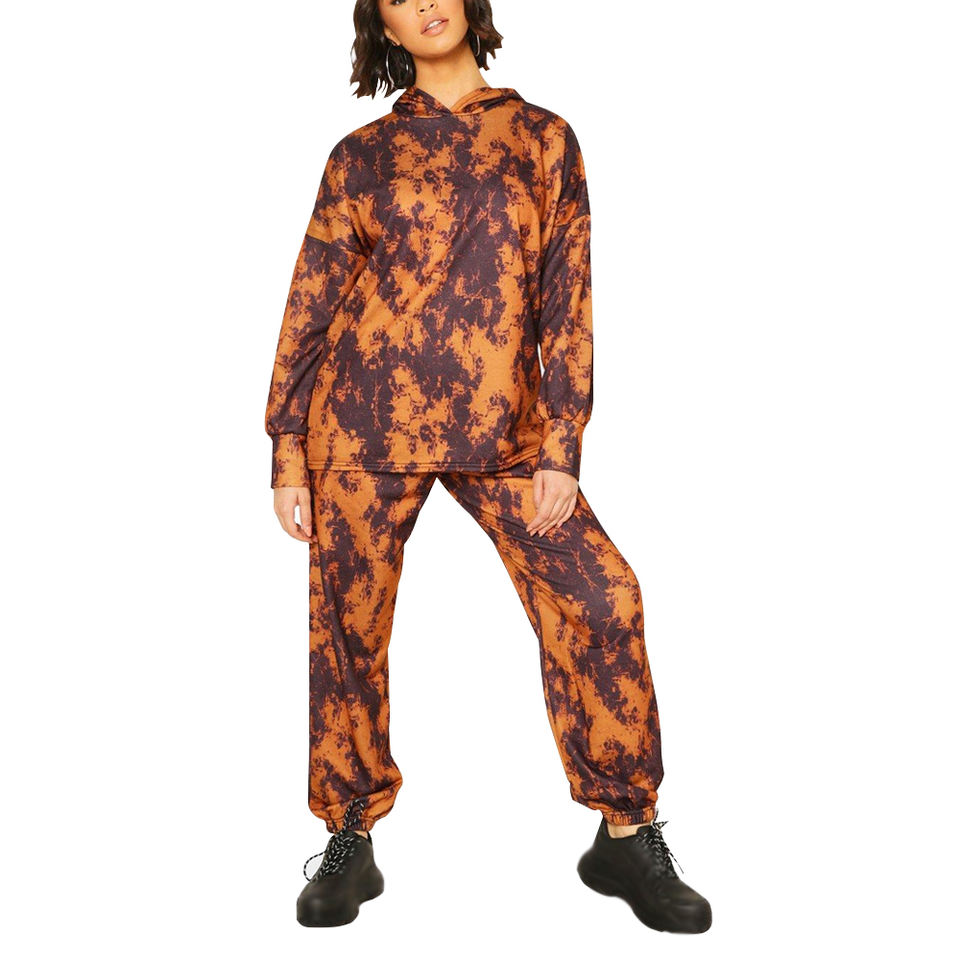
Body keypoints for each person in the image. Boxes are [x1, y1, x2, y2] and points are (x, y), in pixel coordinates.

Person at [264, 0, 711, 933]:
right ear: (383, 26)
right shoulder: (360, 156)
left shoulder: (544, 139)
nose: (424, 2)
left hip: (505, 428)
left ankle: (625, 834)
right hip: (361, 422)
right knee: (346, 631)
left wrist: (562, 441)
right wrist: (287, 445)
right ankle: (349, 835)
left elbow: (566, 297)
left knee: (603, 599)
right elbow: (313, 297)